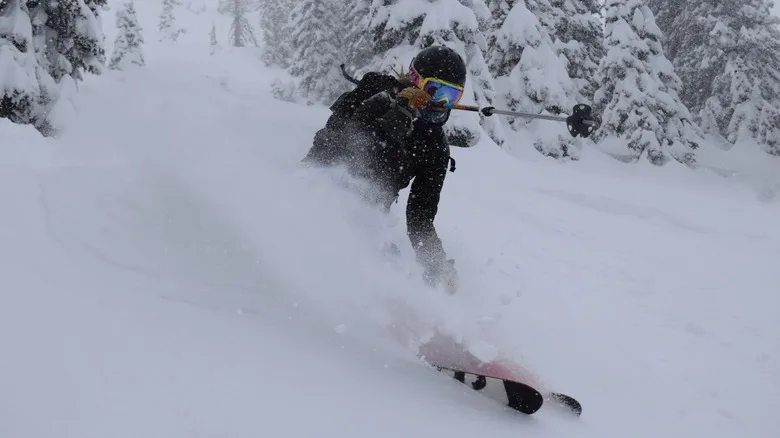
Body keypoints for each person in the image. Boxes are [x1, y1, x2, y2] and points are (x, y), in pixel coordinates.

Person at [301, 46, 467, 294]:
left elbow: (420, 217)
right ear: (415, 80)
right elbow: (331, 145)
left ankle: (409, 311)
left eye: (451, 96)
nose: (441, 103)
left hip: (367, 220)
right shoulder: (374, 93)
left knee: (389, 268)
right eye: (435, 90)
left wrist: (436, 263)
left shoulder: (434, 148)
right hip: (316, 193)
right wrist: (395, 117)